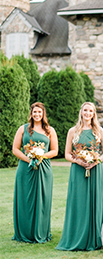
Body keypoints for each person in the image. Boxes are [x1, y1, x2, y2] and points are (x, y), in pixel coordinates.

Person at [56, 102, 103, 251]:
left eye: (90, 111)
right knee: (78, 202)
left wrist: (96, 160)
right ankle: (76, 236)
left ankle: (94, 237)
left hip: (96, 170)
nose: (88, 113)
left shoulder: (99, 131)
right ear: (81, 112)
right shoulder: (73, 131)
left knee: (95, 201)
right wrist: (77, 161)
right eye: (85, 110)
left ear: (94, 113)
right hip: (77, 171)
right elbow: (67, 154)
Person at [11, 102, 58, 243]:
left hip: (43, 169)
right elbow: (15, 149)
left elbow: (55, 151)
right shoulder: (23, 129)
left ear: (43, 114)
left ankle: (41, 231)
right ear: (31, 113)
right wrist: (29, 159)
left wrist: (40, 156)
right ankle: (24, 233)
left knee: (43, 200)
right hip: (25, 169)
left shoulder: (50, 130)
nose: (37, 115)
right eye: (34, 112)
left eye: (39, 112)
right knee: (25, 199)